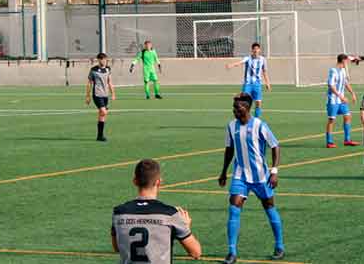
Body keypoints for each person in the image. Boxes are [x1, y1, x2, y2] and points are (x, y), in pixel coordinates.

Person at [218, 93, 284, 263]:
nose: (234, 111)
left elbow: (275, 146)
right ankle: (232, 252)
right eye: (233, 107)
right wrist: (224, 171)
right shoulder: (231, 126)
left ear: (246, 108)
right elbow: (229, 150)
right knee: (234, 206)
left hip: (261, 176)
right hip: (240, 175)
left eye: (237, 107)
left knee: (269, 207)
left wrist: (274, 171)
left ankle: (279, 246)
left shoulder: (260, 125)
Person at [111, 159, 202, 263]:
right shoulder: (170, 214)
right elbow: (196, 252)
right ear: (159, 182)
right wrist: (186, 227)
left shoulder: (119, 213)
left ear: (135, 181)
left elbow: (117, 248)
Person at [225, 43, 271, 118]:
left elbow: (264, 71)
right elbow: (239, 63)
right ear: (252, 50)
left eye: (257, 49)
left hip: (257, 84)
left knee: (258, 103)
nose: (256, 50)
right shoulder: (248, 58)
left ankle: (256, 120)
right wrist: (231, 65)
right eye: (254, 49)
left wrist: (267, 83)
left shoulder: (263, 59)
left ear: (259, 50)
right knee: (244, 103)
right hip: (248, 84)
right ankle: (243, 118)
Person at [325, 54, 358, 148]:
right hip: (333, 100)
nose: (348, 62)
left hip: (341, 100)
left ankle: (347, 140)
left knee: (348, 116)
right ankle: (329, 141)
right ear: (343, 60)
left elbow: (345, 83)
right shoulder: (333, 70)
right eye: (347, 60)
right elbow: (331, 85)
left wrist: (352, 93)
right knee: (332, 119)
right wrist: (340, 96)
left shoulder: (343, 70)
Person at [86, 52, 116, 142]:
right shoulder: (93, 70)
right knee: (103, 112)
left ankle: (100, 136)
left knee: (102, 115)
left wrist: (113, 93)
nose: (104, 61)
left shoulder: (108, 69)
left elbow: (109, 81)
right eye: (102, 59)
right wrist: (87, 96)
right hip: (97, 94)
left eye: (105, 60)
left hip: (105, 95)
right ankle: (100, 135)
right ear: (98, 60)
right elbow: (89, 83)